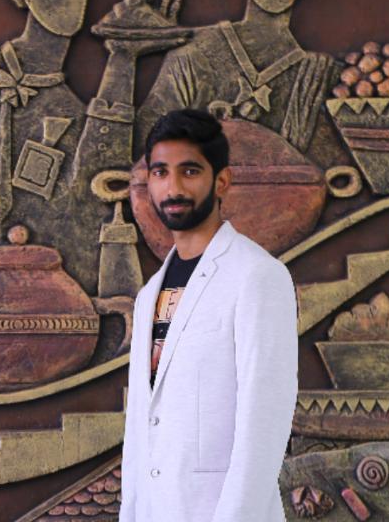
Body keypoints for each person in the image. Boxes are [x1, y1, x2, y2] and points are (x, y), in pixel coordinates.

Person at [119, 108, 298, 522]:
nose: (173, 187)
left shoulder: (257, 276)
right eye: (161, 173)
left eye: (190, 171)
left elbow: (264, 426)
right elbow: (141, 430)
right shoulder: (148, 296)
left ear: (222, 181)